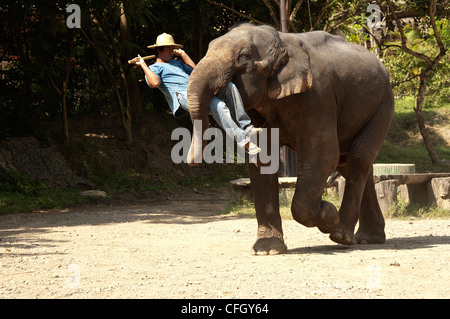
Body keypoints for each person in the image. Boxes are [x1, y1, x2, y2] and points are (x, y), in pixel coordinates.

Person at [133, 33, 261, 155]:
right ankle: (243, 141)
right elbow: (154, 83)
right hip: (184, 96)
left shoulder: (177, 63)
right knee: (219, 105)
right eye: (168, 49)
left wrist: (183, 54)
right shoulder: (154, 68)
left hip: (198, 90)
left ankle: (246, 127)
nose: (171, 52)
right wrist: (143, 65)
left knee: (229, 86)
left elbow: (197, 72)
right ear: (159, 51)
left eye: (173, 49)